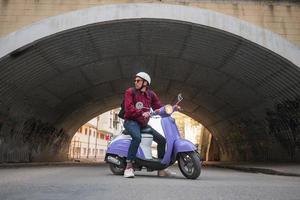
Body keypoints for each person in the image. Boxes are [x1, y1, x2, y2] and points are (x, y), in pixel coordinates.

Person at [123, 72, 175, 178]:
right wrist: (141, 113)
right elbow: (128, 109)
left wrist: (172, 108)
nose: (135, 82)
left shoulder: (151, 94)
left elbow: (159, 108)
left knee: (162, 140)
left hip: (142, 124)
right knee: (137, 138)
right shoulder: (130, 92)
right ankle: (129, 167)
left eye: (138, 80)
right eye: (135, 80)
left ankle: (161, 169)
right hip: (131, 122)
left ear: (145, 82)